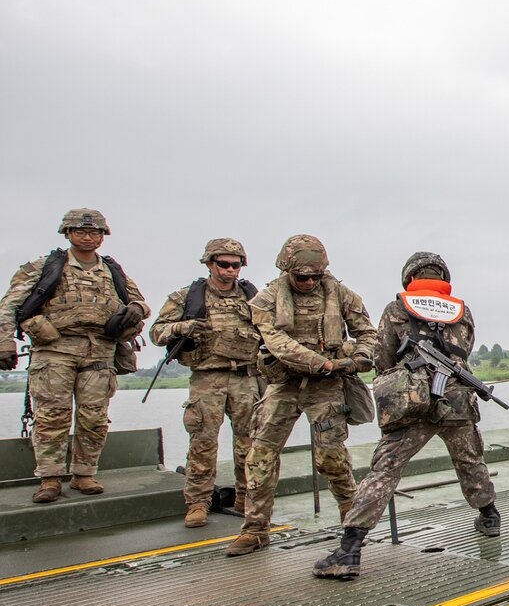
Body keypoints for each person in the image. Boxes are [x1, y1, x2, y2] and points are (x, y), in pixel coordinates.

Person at [313, 252, 502, 579]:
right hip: (458, 399)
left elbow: (383, 357)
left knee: (385, 469)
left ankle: (349, 549)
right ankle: (489, 517)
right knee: (470, 460)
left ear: (409, 277)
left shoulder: (397, 308)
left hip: (412, 401)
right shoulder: (461, 310)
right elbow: (465, 349)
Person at [227, 235, 377, 556]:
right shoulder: (267, 300)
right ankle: (255, 529)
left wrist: (360, 356)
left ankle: (351, 518)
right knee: (260, 456)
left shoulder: (340, 294)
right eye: (302, 277)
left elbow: (368, 332)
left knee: (331, 457)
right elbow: (278, 342)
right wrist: (319, 362)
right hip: (285, 383)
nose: (309, 282)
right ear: (287, 271)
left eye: (314, 276)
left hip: (327, 386)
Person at [0, 210, 148, 503]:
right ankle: (50, 477)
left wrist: (136, 309)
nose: (88, 237)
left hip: (99, 349)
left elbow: (139, 301)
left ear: (102, 237)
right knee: (52, 416)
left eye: (95, 233)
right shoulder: (44, 267)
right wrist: (5, 343)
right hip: (55, 349)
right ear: (68, 233)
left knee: (94, 417)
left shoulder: (112, 270)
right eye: (81, 232)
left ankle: (84, 474)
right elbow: (10, 304)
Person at [149, 239, 262, 527]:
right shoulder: (187, 297)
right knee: (202, 443)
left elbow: (272, 329)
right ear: (210, 264)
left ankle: (245, 498)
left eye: (235, 265)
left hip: (244, 377)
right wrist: (181, 327)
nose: (229, 270)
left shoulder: (254, 297)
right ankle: (198, 502)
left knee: (249, 444)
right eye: (223, 264)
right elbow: (156, 332)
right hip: (207, 378)